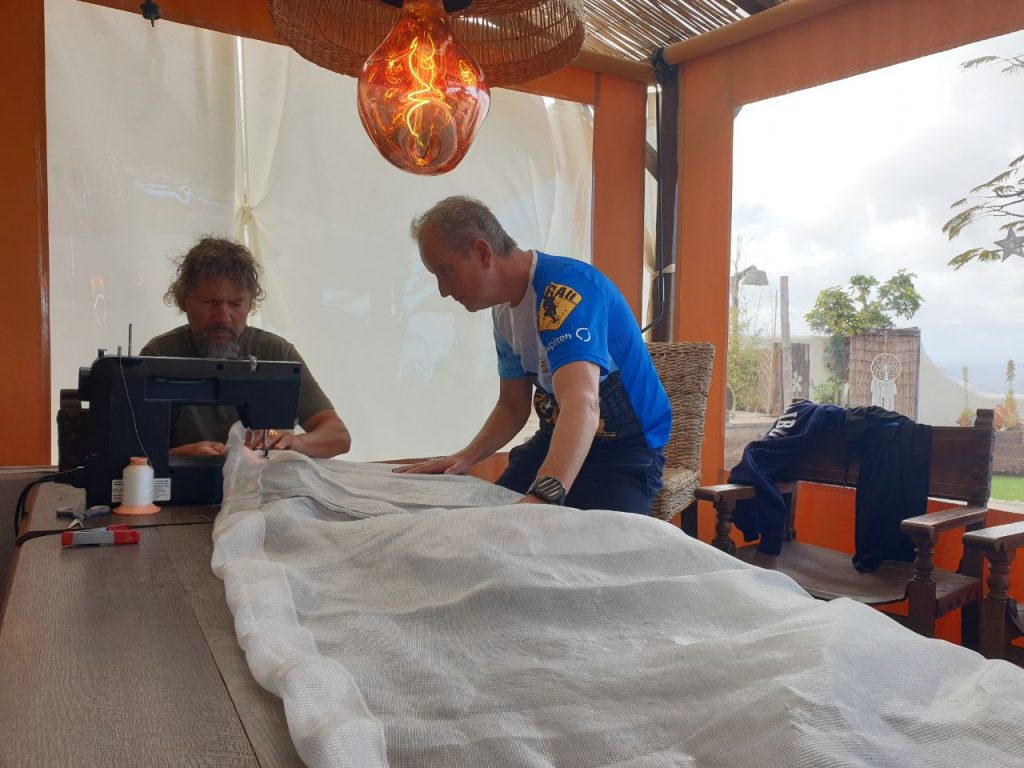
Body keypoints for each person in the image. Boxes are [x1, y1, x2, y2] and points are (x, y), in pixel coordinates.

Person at [395, 196, 671, 514]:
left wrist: (543, 495)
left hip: (624, 450)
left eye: (446, 271)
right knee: (488, 521)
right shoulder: (502, 312)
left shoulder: (566, 291)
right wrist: (465, 456)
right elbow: (512, 407)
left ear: (482, 252)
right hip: (556, 436)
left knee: (584, 538)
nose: (444, 290)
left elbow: (583, 404)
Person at [141, 236, 351, 458]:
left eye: (236, 304)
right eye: (209, 303)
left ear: (250, 304)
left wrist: (295, 443)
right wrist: (178, 455)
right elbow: (131, 450)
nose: (223, 318)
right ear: (184, 301)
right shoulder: (160, 355)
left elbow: (338, 436)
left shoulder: (276, 353)